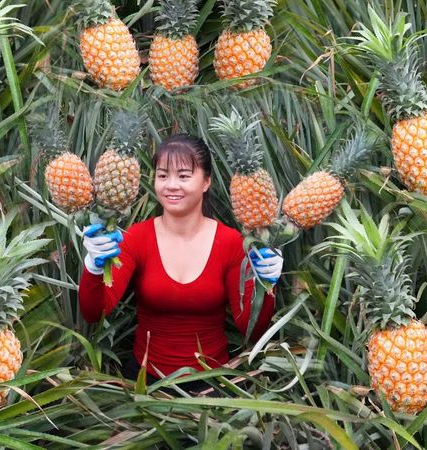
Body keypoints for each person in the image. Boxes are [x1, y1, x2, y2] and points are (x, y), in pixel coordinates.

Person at [78, 134, 283, 393]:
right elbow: (94, 313)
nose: (171, 185)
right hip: (143, 387)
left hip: (214, 387)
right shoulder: (136, 239)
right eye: (162, 176)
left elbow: (252, 331)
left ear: (206, 182)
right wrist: (94, 268)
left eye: (184, 176)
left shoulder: (231, 243)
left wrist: (266, 285)